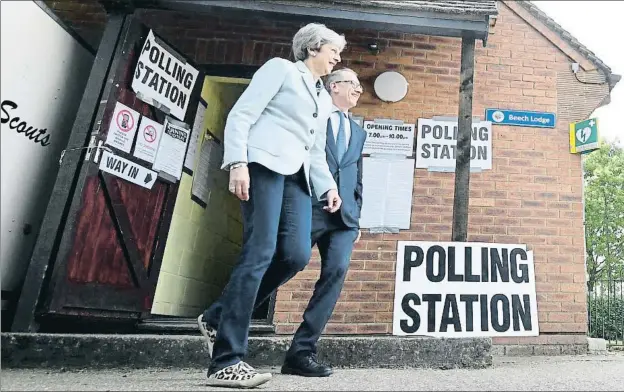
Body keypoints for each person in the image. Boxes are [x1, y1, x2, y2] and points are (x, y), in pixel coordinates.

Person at [197, 23, 347, 389]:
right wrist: (237, 163)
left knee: (295, 255)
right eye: (333, 50)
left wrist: (328, 187)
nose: (338, 58)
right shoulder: (280, 69)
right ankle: (226, 361)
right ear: (313, 47)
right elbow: (242, 115)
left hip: (297, 178)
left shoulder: (323, 97)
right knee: (259, 251)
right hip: (262, 165)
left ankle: (218, 315)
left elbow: (314, 151)